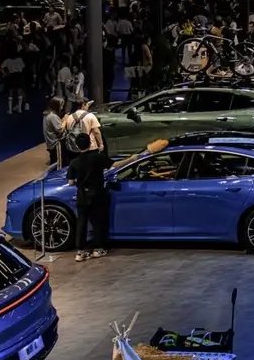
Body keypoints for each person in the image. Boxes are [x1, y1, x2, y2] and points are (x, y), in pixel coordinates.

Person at [66, 133, 167, 261]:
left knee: (82, 222)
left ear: (77, 146)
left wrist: (80, 181)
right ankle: (98, 249)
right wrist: (132, 159)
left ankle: (80, 252)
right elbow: (116, 165)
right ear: (90, 143)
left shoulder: (74, 162)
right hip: (97, 194)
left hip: (82, 195)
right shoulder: (97, 157)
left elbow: (70, 182)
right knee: (98, 221)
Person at [43, 97, 66, 167]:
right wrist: (65, 120)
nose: (62, 107)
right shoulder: (53, 116)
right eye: (61, 105)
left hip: (51, 142)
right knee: (58, 164)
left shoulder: (47, 114)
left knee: (53, 161)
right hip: (56, 143)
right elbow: (60, 130)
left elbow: (55, 125)